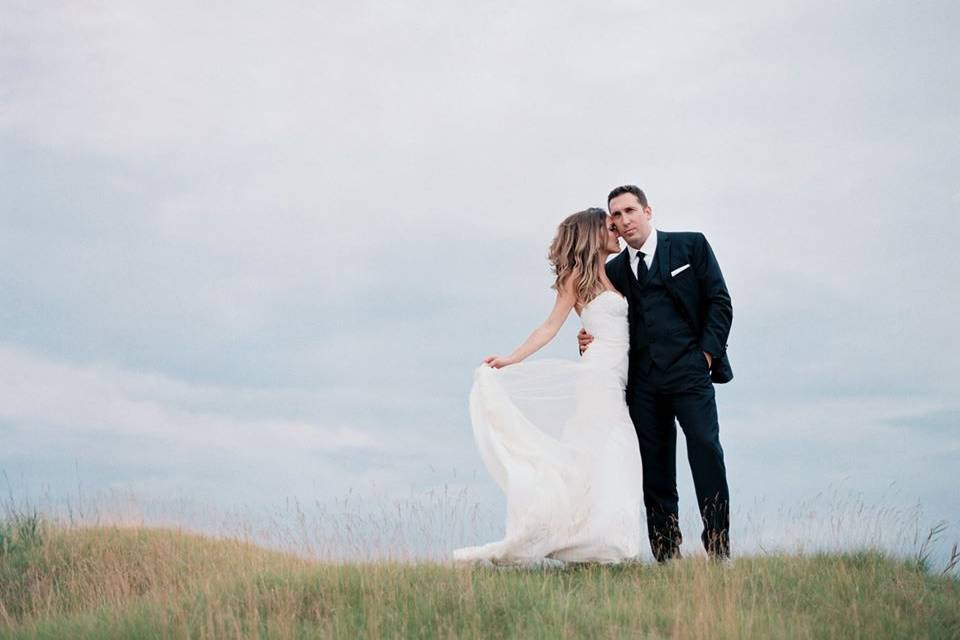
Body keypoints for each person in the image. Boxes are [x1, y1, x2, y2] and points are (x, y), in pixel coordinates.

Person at [453, 208, 643, 564]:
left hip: (618, 376)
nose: (616, 228)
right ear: (593, 233)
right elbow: (548, 326)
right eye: (609, 226)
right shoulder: (575, 278)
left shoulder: (614, 274)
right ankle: (596, 542)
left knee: (607, 453)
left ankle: (598, 539)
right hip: (599, 377)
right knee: (609, 449)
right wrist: (511, 359)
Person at [580, 185, 733, 562]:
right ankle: (666, 555)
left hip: (690, 372)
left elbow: (719, 300)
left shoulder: (690, 246)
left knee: (706, 452)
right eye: (615, 215)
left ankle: (718, 549)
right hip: (643, 383)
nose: (623, 220)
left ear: (648, 211)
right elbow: (608, 319)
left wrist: (708, 356)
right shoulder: (613, 270)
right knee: (654, 469)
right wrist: (590, 337)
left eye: (630, 210)